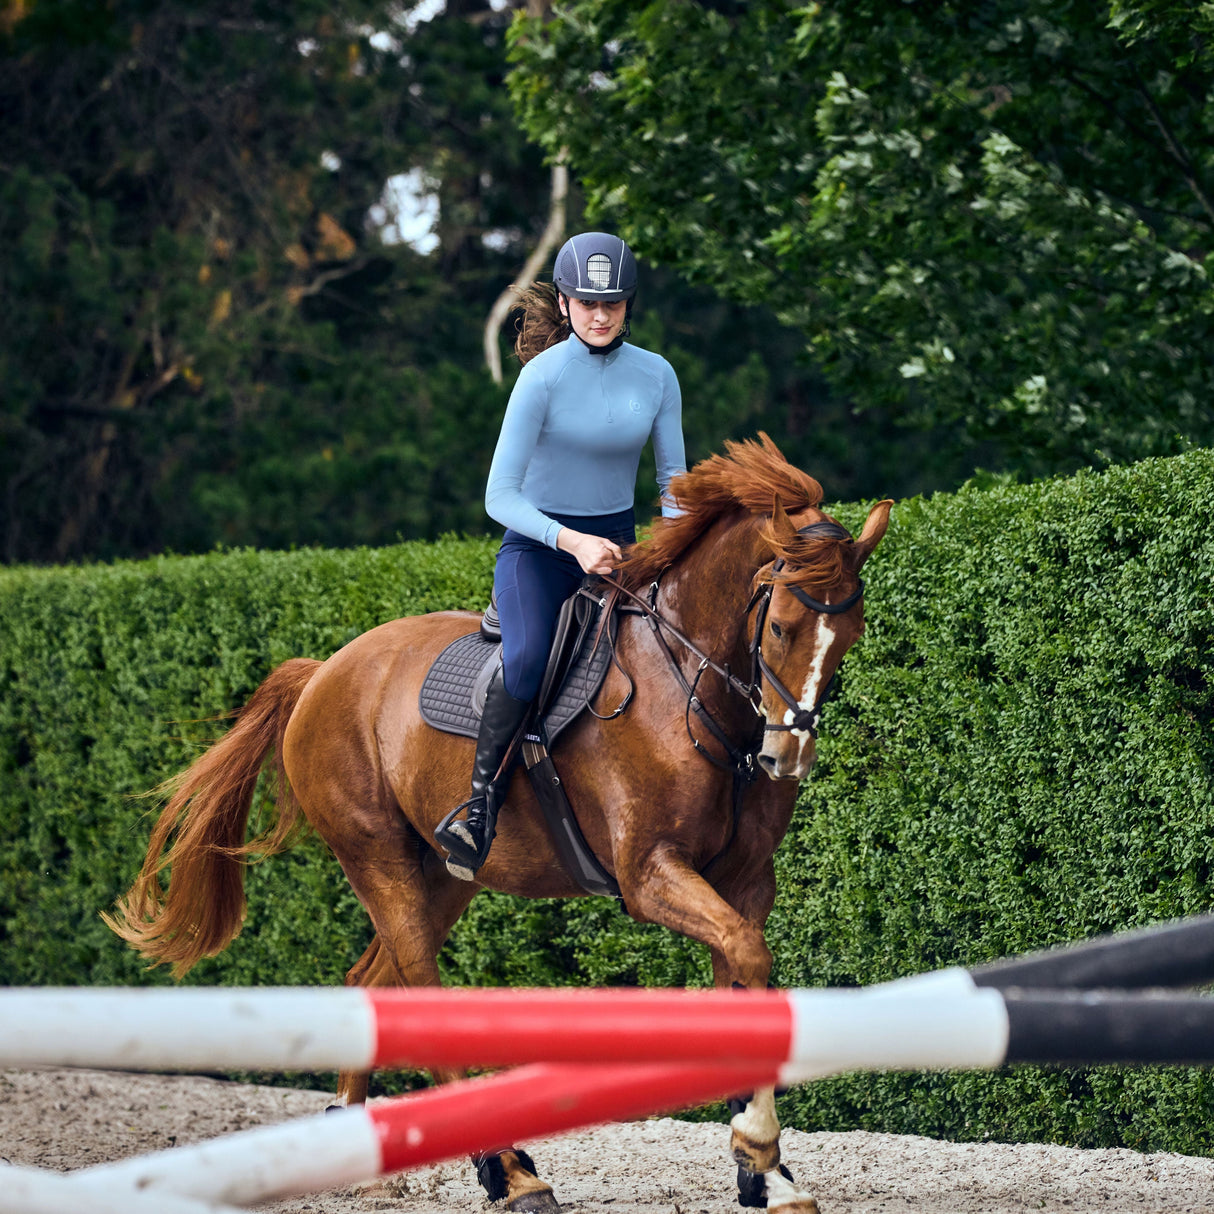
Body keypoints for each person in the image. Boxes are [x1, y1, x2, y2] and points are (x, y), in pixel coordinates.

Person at [435, 231, 687, 880]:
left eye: (612, 303)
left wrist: (674, 552)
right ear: (567, 304)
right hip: (539, 551)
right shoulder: (540, 378)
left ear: (628, 305)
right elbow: (500, 496)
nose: (600, 315)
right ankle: (479, 808)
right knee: (523, 661)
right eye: (586, 302)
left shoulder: (657, 376)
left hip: (618, 553)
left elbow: (673, 487)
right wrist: (570, 542)